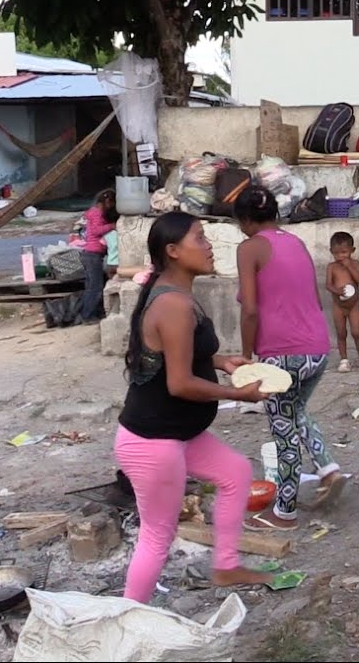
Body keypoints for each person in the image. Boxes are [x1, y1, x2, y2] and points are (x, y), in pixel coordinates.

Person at [117, 211, 274, 603]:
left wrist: (223, 362)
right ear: (173, 251)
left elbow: (179, 357)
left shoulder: (179, 292)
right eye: (200, 239)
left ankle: (225, 566)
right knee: (157, 536)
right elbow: (180, 383)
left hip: (178, 434)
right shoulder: (173, 303)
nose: (209, 247)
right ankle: (126, 618)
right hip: (153, 442)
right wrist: (239, 395)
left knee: (236, 472)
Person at [235, 186, 347, 531]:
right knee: (295, 410)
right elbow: (312, 296)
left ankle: (283, 511)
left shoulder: (249, 248)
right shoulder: (295, 242)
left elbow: (250, 310)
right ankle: (328, 470)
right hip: (317, 349)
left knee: (282, 430)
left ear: (243, 220)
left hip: (282, 355)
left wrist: (246, 357)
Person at [325, 231, 359, 371]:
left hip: (353, 306)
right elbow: (328, 285)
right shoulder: (332, 267)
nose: (340, 256)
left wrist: (349, 267)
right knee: (341, 333)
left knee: (356, 332)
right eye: (336, 253)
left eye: (344, 252)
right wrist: (336, 290)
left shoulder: (355, 264)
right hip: (338, 306)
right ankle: (344, 360)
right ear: (331, 252)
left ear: (352, 250)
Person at [76, 189, 118, 325]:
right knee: (96, 287)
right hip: (92, 255)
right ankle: (87, 316)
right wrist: (112, 226)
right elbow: (95, 230)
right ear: (107, 202)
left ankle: (84, 313)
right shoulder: (97, 213)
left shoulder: (94, 213)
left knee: (90, 287)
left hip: (90, 254)